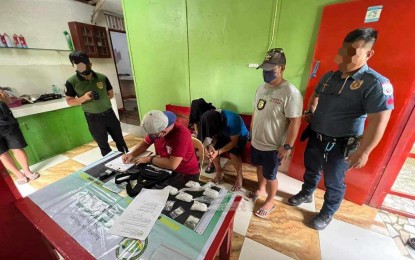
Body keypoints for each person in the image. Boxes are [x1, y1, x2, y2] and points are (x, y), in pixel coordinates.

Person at [288, 28, 394, 230]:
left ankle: (327, 212)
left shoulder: (375, 84)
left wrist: (364, 151)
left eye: (353, 51)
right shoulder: (329, 77)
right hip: (316, 137)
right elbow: (316, 95)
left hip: (341, 145)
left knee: (334, 181)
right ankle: (307, 191)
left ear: (368, 54)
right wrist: (311, 109)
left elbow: (379, 120)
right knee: (311, 169)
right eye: (344, 50)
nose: (346, 56)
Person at [249, 48, 303, 218]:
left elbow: (295, 121)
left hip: (273, 145)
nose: (267, 73)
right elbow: (256, 112)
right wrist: (251, 132)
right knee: (259, 167)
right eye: (265, 69)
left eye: (271, 69)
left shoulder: (291, 93)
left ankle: (270, 200)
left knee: (271, 175)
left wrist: (287, 146)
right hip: (257, 140)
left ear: (282, 68)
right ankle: (260, 188)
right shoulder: (260, 89)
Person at [65, 51, 128, 156]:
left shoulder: (102, 77)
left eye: (86, 65)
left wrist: (101, 100)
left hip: (109, 114)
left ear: (90, 64)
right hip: (93, 118)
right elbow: (70, 102)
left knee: (119, 139)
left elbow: (110, 93)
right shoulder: (71, 82)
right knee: (103, 144)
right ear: (75, 67)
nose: (84, 68)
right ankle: (110, 163)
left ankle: (126, 158)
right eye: (80, 66)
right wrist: (84, 98)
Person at [122, 110, 199, 178]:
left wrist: (150, 159)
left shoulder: (181, 134)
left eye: (155, 135)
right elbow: (145, 143)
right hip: (164, 167)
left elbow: (172, 165)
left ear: (163, 132)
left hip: (185, 173)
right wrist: (132, 154)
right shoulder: (156, 126)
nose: (153, 136)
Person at [199, 109, 250, 191]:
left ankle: (239, 176)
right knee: (213, 150)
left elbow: (233, 142)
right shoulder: (209, 119)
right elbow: (212, 137)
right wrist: (210, 147)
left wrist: (218, 152)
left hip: (240, 136)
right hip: (223, 135)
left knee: (233, 153)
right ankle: (219, 171)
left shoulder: (233, 120)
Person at [0, 90, 40, 185]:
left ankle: (27, 171)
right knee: (2, 154)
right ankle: (19, 175)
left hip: (8, 123)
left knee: (17, 148)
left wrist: (3, 96)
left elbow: (8, 101)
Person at [188, 98, 216, 173]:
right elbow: (196, 125)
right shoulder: (196, 114)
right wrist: (197, 134)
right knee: (190, 139)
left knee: (210, 143)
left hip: (213, 133)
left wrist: (203, 141)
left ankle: (211, 165)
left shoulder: (211, 114)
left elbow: (212, 133)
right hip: (204, 132)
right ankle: (195, 161)